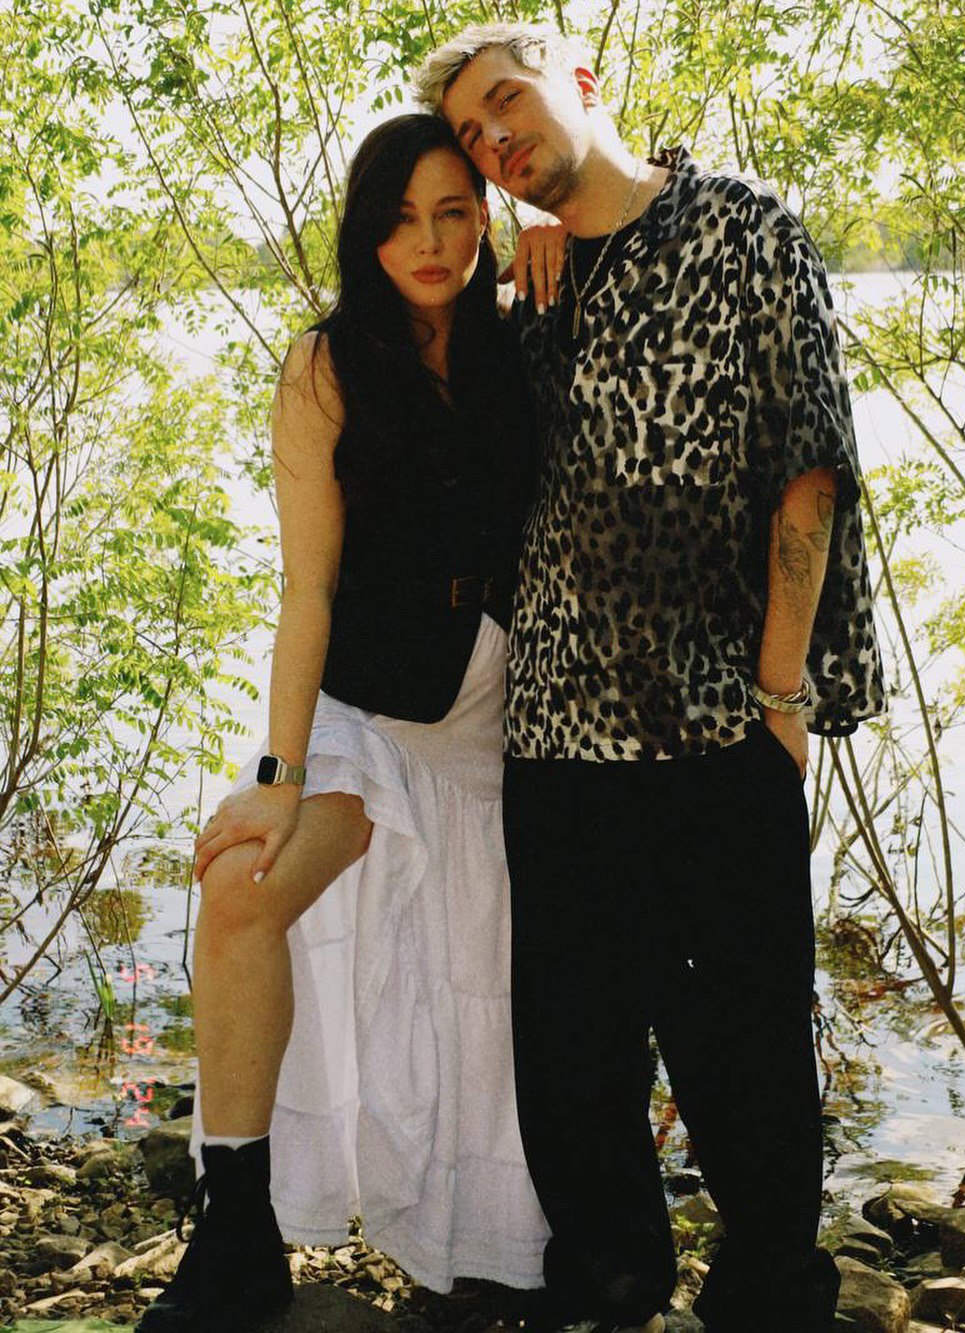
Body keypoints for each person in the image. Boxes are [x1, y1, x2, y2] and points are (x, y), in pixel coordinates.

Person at [415, 25, 887, 1333]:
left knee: (746, 1049)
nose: (494, 139)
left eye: (506, 102)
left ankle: (770, 1293)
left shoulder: (743, 232)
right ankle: (608, 1287)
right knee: (573, 1063)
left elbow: (807, 467)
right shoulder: (528, 293)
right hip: (552, 735)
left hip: (713, 723)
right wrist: (512, 271)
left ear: (579, 83)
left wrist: (780, 697)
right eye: (471, 135)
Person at [137, 113, 551, 1333]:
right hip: (365, 711)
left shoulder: (522, 340)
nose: (427, 241)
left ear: (483, 219)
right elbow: (307, 587)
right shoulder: (324, 367)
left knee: (486, 992)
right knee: (243, 888)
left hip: (494, 726)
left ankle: (496, 1240)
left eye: (452, 213)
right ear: (365, 234)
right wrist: (278, 774)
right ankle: (236, 1230)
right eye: (400, 219)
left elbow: (624, 198)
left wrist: (559, 235)